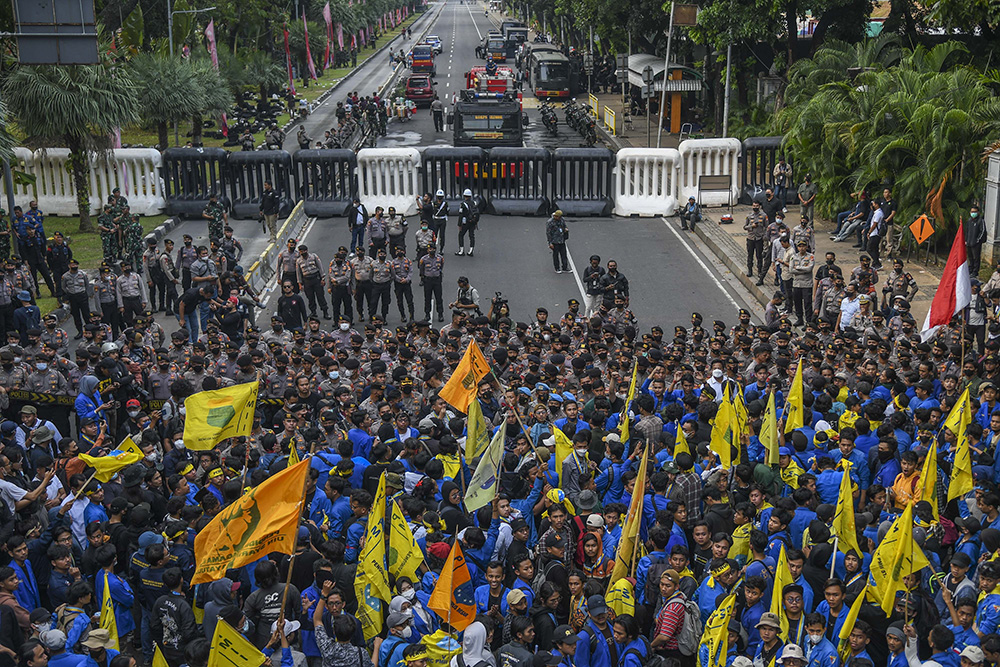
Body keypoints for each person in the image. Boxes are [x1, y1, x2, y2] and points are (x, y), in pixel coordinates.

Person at [968, 204, 987, 277]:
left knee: (976, 258)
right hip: (969, 242)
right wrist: (966, 240)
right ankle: (970, 269)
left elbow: (982, 231)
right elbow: (967, 231)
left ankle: (975, 271)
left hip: (976, 244)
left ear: (978, 212)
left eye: (975, 211)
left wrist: (977, 240)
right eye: (972, 211)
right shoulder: (969, 220)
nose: (973, 213)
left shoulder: (980, 221)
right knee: (970, 257)